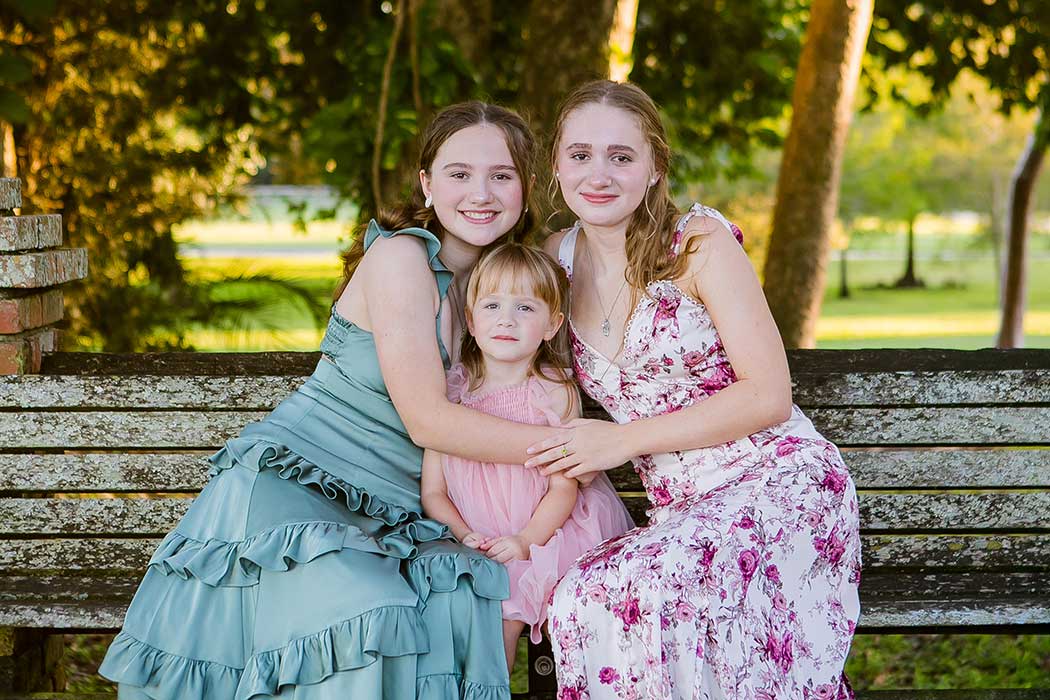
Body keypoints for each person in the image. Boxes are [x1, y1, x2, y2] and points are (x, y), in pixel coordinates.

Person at [99, 101, 567, 700]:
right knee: (367, 612)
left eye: (501, 175)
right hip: (303, 490)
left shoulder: (508, 286)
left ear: (526, 187)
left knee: (462, 594)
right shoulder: (401, 259)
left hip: (401, 508)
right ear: (426, 183)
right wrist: (571, 447)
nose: (481, 193)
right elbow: (428, 421)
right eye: (459, 173)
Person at [526, 80, 862, 699]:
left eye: (621, 157)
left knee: (661, 586)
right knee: (579, 598)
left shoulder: (697, 243)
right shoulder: (555, 260)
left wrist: (621, 441)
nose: (598, 175)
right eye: (580, 155)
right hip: (681, 505)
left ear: (655, 166)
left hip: (776, 478)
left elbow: (769, 395)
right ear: (556, 163)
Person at [421, 242, 633, 674]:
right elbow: (434, 491)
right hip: (471, 538)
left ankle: (496, 687)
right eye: (493, 305)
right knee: (450, 607)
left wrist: (524, 542)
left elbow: (563, 487)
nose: (506, 318)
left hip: (547, 534)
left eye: (525, 308)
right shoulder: (451, 396)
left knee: (506, 605)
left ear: (552, 324)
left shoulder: (553, 391)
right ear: (471, 321)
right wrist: (464, 534)